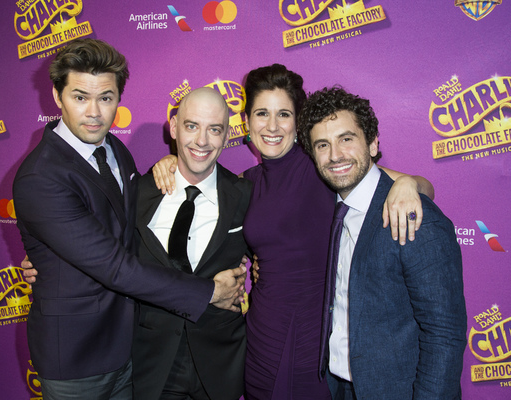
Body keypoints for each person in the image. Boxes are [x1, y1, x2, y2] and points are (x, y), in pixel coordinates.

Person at [153, 64, 434, 400]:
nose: (272, 127)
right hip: (258, 341)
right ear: (246, 121)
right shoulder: (247, 182)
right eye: (261, 114)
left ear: (298, 122)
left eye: (283, 114)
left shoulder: (322, 167)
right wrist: (169, 162)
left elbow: (424, 188)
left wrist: (404, 184)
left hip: (311, 344)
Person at [13, 39, 245, 400]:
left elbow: (126, 220)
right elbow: (115, 267)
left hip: (128, 348)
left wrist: (170, 165)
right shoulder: (41, 177)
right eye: (80, 97)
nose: (94, 112)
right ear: (57, 97)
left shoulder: (114, 149)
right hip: (77, 357)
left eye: (105, 98)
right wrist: (209, 292)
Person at [299, 85, 466, 399]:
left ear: (373, 143)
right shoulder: (332, 209)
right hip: (338, 386)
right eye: (323, 144)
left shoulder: (415, 215)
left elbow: (444, 334)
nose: (335, 155)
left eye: (346, 139)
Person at [132, 87, 251, 400]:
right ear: (173, 127)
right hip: (149, 368)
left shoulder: (246, 196)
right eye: (191, 126)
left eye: (214, 130)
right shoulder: (137, 193)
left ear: (227, 136)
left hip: (219, 371)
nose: (202, 141)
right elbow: (105, 259)